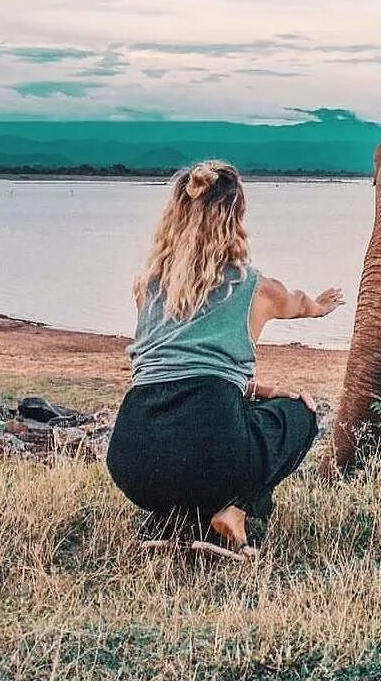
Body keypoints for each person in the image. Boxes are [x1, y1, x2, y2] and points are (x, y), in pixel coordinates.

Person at [106, 159, 344, 560]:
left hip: (132, 456)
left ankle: (170, 522)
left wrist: (256, 388)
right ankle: (237, 511)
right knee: (300, 414)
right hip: (210, 447)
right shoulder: (256, 289)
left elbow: (176, 366)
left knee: (204, 440)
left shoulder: (145, 287)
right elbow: (299, 303)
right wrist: (319, 306)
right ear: (235, 217)